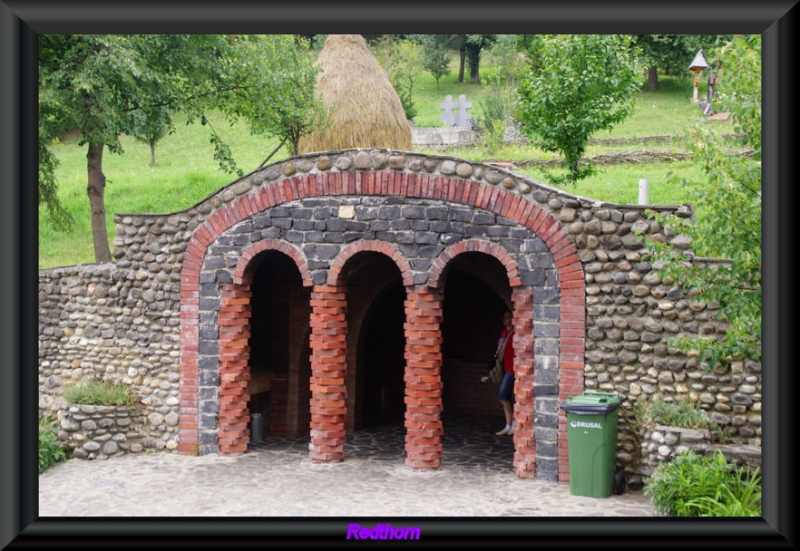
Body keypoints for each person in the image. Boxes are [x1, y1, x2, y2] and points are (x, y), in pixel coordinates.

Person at [481, 309, 515, 436]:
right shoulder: (503, 332)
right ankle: (508, 424)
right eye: (504, 317)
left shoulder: (515, 333)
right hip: (504, 367)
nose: (504, 319)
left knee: (503, 395)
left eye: (507, 317)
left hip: (512, 368)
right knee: (505, 397)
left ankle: (514, 423)